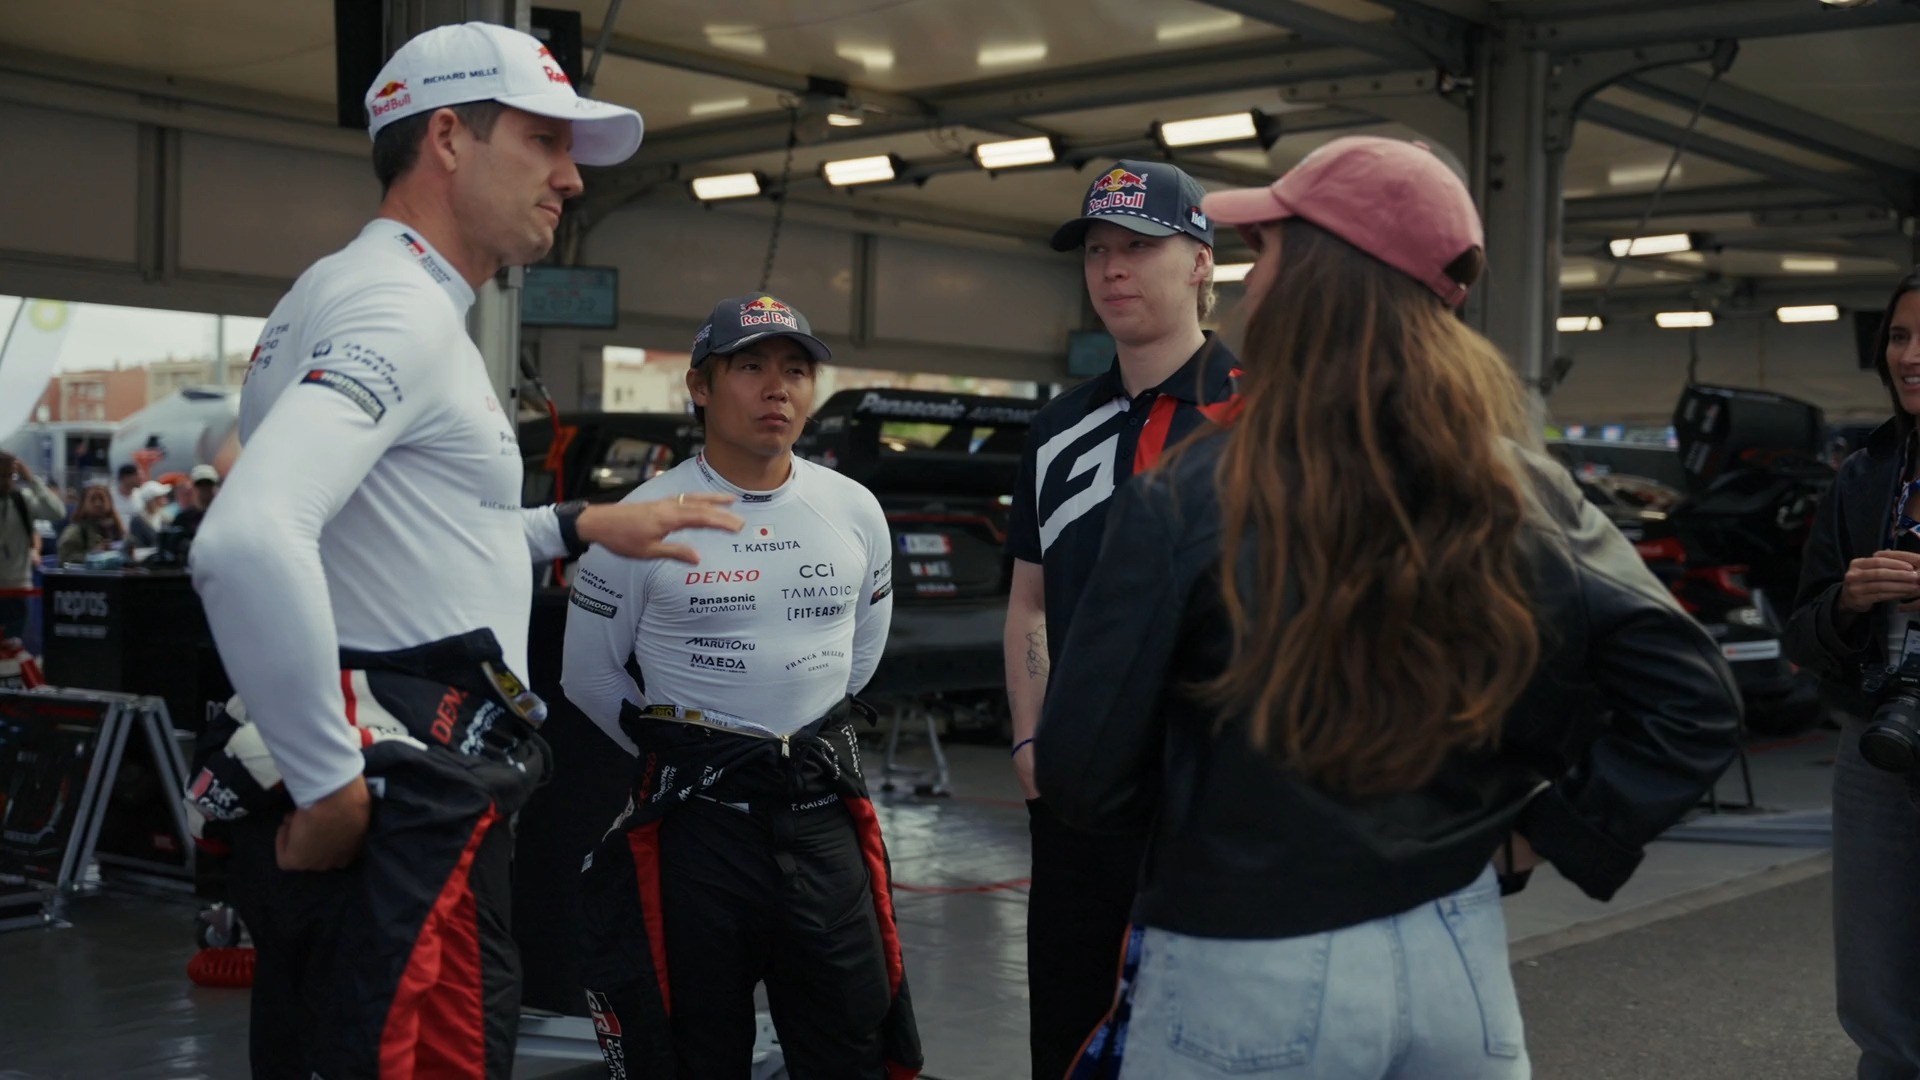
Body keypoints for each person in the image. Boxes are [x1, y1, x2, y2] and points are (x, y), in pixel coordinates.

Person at [1034, 136, 1744, 1079]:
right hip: (1459, 953)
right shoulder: (1521, 486)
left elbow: (1084, 773)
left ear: (1324, 279)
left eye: (1275, 250)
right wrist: (1531, 838)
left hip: (1246, 958)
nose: (1257, 276)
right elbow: (1694, 700)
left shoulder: (1190, 492)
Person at [186, 23, 741, 1079]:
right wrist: (328, 786)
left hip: (408, 798)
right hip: (407, 810)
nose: (571, 179)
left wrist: (575, 525)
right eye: (544, 142)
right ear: (447, 138)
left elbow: (399, 530)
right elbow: (248, 538)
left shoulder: (341, 289)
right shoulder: (400, 310)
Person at [561, 294, 920, 1079]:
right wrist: (699, 756)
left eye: (795, 370)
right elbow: (585, 676)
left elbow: (859, 660)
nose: (776, 388)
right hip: (699, 832)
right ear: (699, 386)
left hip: (821, 821)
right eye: (750, 366)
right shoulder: (639, 518)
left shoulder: (853, 510)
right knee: (694, 1052)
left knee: (849, 1045)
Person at [1005, 158, 1239, 1078]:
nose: (1113, 268)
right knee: (1068, 1034)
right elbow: (1029, 598)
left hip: (1216, 805)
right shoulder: (1055, 430)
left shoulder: (1260, 418)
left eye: (1140, 247)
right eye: (1098, 249)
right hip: (1076, 802)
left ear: (1201, 263)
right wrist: (1030, 746)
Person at [1785, 267, 1920, 1080]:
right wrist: (1847, 602)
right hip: (1879, 739)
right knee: (1877, 985)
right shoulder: (1866, 473)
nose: (1911, 355)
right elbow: (1802, 629)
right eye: (1900, 337)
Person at [0, 453, 63, 641]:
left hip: (18, 587)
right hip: (14, 587)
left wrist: (32, 480)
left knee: (14, 648)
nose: (5, 482)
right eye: (0, 475)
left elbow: (56, 512)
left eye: (9, 475)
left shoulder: (23, 500)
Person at [57, 483, 126, 563]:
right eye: (93, 499)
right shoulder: (75, 531)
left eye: (101, 498)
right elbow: (64, 559)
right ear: (83, 504)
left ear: (110, 502)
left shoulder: (117, 529)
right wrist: (93, 554)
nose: (98, 503)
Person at [171, 464, 221, 537]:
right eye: (200, 485)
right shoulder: (183, 519)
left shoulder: (226, 515)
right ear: (193, 488)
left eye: (208, 485)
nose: (205, 490)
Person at [126, 481, 172, 550]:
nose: (164, 500)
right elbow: (139, 547)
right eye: (160, 497)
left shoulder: (165, 517)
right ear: (151, 500)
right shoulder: (137, 521)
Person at [112, 463, 142, 527]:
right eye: (137, 475)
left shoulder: (141, 495)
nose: (140, 478)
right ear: (126, 478)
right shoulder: (111, 497)